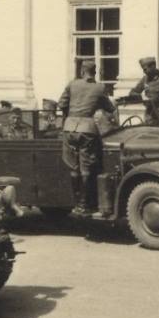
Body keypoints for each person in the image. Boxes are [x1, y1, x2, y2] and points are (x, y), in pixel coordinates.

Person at [58, 60, 114, 215]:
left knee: (73, 167)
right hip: (87, 129)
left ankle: (76, 203)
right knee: (86, 168)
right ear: (95, 72)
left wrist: (70, 116)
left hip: (69, 129)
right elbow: (110, 108)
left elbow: (61, 104)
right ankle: (85, 205)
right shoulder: (99, 87)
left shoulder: (72, 84)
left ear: (82, 71)